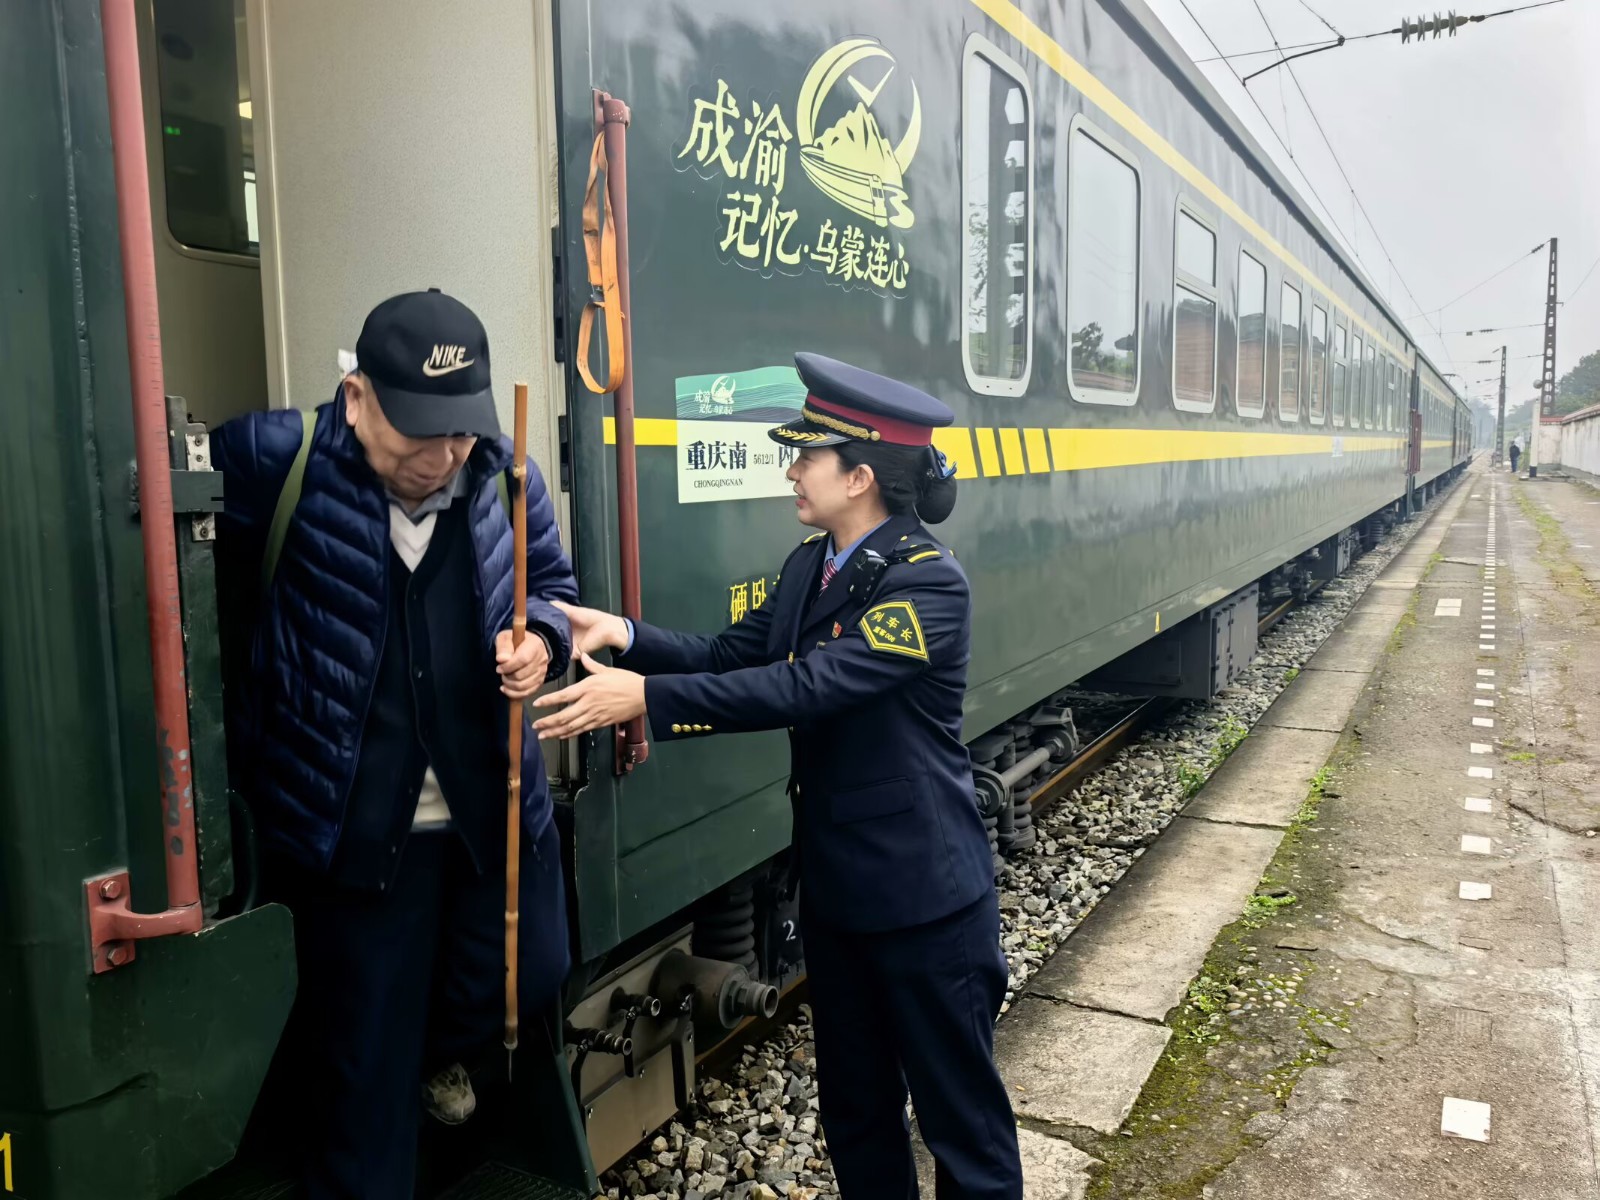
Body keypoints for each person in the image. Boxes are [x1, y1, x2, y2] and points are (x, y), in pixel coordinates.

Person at [535, 353, 1024, 1199]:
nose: (791, 468)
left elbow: (811, 685)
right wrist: (623, 633)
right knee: (858, 1115)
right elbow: (734, 655)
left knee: (962, 1127)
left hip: (924, 904)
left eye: (807, 456)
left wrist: (645, 700)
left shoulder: (928, 585)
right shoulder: (812, 565)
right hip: (839, 897)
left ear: (861, 476)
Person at [210, 288, 577, 1199]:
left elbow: (558, 591)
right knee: (364, 1081)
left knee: (531, 971)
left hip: (489, 813)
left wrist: (546, 642)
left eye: (458, 432)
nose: (442, 456)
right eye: (419, 433)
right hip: (355, 829)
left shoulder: (502, 476)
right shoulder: (276, 461)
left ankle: (435, 1059)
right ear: (356, 397)